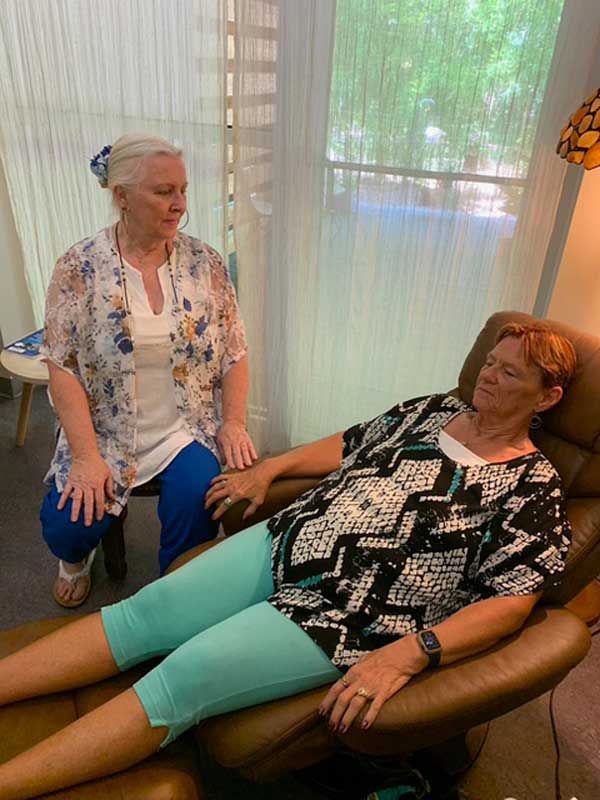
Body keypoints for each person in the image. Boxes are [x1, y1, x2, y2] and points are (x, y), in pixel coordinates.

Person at [0, 323, 577, 799]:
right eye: (490, 361)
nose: (489, 375)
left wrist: (411, 654)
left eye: (510, 372)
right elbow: (350, 444)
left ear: (547, 396)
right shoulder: (433, 410)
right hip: (286, 540)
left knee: (185, 675)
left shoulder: (533, 488)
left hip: (348, 612)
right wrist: (270, 468)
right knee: (141, 613)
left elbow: (511, 602)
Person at [39, 133, 256, 608]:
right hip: (105, 432)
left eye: (183, 191)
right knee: (67, 525)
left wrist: (233, 421)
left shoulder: (206, 263)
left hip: (184, 428)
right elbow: (62, 365)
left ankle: (169, 595)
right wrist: (84, 457)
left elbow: (235, 351)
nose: (180, 204)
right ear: (121, 197)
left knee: (200, 501)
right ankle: (74, 561)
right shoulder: (79, 266)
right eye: (164, 192)